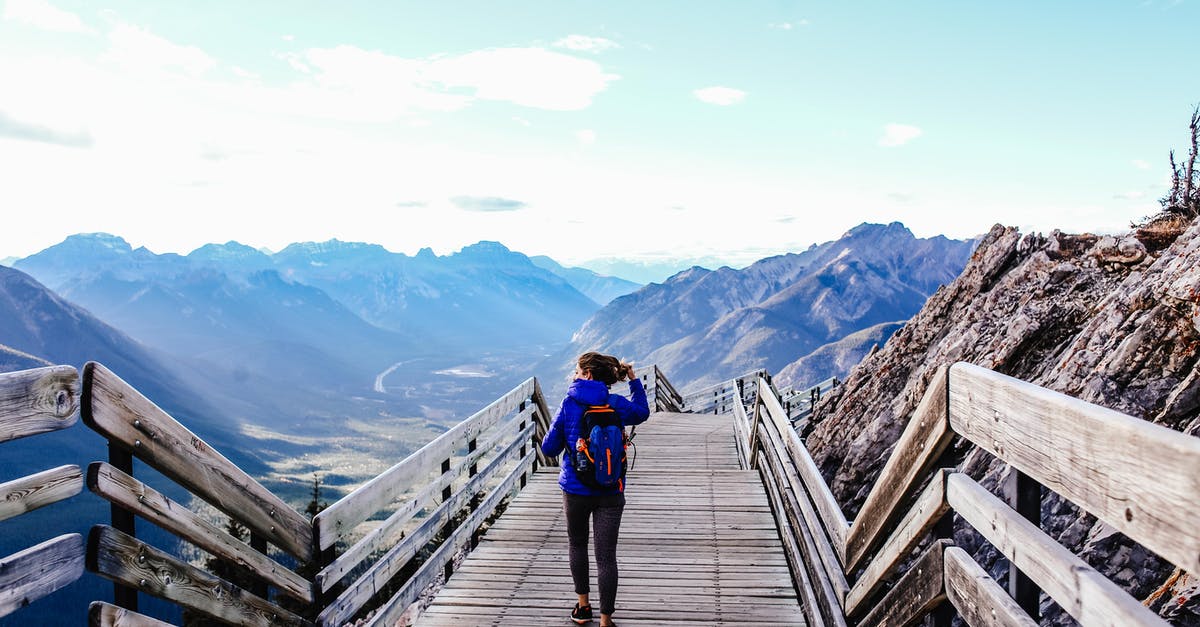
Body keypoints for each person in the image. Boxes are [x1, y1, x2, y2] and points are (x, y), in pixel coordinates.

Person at [541, 352, 650, 627]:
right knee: (606, 556)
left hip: (575, 490)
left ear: (587, 373)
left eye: (577, 371)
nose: (574, 375)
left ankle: (583, 607)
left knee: (577, 544)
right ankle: (605, 620)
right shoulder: (615, 403)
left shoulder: (569, 402)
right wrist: (634, 382)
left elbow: (549, 448)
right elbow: (643, 412)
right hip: (611, 490)